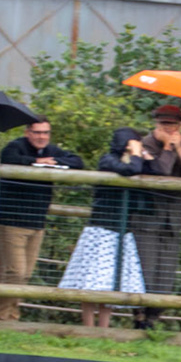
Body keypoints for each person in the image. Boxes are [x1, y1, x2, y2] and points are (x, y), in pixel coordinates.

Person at [0, 118, 83, 321]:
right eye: (37, 132)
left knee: (25, 274)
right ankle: (1, 316)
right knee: (15, 271)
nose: (42, 137)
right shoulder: (15, 147)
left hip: (37, 222)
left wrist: (54, 162)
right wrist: (37, 163)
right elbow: (9, 159)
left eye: (45, 132)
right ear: (27, 132)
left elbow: (77, 162)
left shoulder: (51, 150)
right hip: (12, 221)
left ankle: (10, 314)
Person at [60, 128, 150, 328]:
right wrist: (137, 155)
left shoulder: (135, 161)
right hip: (101, 231)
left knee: (110, 282)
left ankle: (104, 328)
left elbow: (152, 171)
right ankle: (89, 327)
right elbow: (129, 170)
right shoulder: (108, 160)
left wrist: (145, 158)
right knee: (92, 280)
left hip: (122, 231)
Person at [129, 103, 181, 327]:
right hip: (147, 218)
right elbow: (162, 171)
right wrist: (168, 147)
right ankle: (139, 316)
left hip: (172, 219)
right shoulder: (145, 143)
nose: (170, 129)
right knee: (145, 270)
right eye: (165, 124)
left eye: (174, 125)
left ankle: (154, 317)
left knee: (166, 275)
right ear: (156, 124)